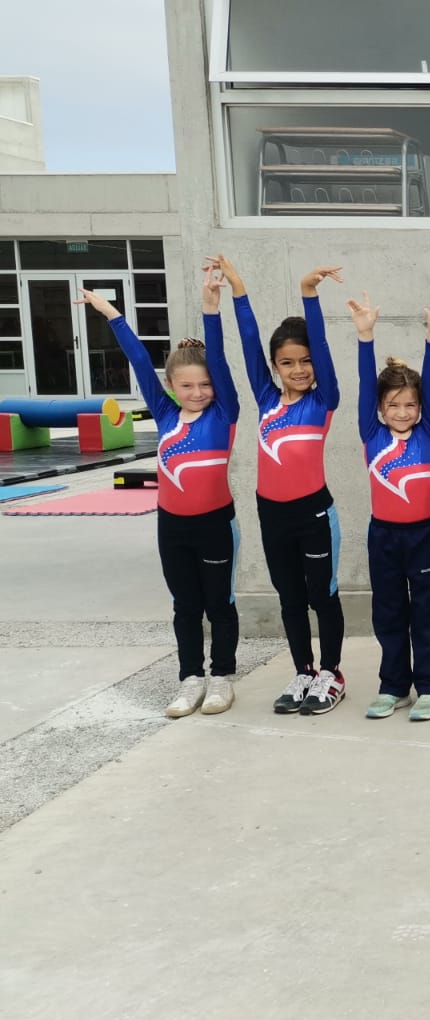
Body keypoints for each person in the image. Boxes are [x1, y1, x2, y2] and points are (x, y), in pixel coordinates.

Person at [77, 264, 241, 719]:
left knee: (219, 604)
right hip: (172, 526)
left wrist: (211, 308)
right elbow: (137, 361)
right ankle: (191, 678)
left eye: (205, 384)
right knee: (185, 605)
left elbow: (220, 362)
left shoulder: (224, 414)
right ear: (171, 387)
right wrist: (112, 314)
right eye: (187, 385)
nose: (198, 392)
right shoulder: (166, 415)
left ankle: (222, 677)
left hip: (215, 524)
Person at [217, 256, 348, 716]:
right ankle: (304, 671)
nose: (299, 369)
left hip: (314, 514)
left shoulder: (324, 400)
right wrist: (238, 290)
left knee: (322, 595)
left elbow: (323, 347)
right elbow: (248, 342)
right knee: (290, 598)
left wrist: (309, 295)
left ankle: (331, 673)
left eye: (306, 361)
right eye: (287, 362)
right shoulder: (266, 398)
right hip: (271, 514)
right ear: (274, 366)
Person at [348, 290, 430, 722]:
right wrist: (365, 337)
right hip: (384, 536)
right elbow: (364, 384)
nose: (403, 411)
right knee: (389, 612)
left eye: (411, 405)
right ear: (379, 408)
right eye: (393, 405)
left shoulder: (428, 432)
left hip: (423, 534)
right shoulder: (371, 434)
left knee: (427, 612)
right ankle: (394, 685)